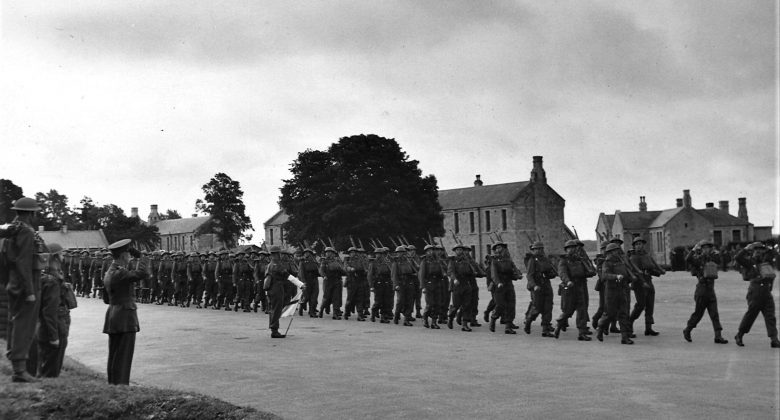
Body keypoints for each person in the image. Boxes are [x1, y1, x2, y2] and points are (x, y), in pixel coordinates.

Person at [1, 197, 46, 383]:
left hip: (14, 283)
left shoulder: (14, 228)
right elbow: (23, 262)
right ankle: (20, 370)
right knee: (24, 326)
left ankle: (17, 364)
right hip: (26, 283)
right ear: (31, 213)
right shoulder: (26, 231)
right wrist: (29, 291)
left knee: (16, 322)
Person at [103, 239, 147, 385]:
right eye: (128, 255)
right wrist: (141, 257)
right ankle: (121, 386)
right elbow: (142, 273)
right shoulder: (120, 273)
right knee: (123, 356)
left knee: (115, 355)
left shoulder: (109, 271)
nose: (129, 258)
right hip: (125, 317)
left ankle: (114, 385)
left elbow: (106, 299)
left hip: (113, 315)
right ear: (123, 256)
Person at [36, 243, 75, 377]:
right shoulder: (52, 281)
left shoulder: (46, 276)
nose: (64, 256)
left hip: (48, 327)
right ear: (56, 257)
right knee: (51, 370)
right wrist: (54, 337)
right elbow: (49, 312)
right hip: (55, 327)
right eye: (62, 254)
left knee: (45, 366)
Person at [733, 242, 779, 348]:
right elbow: (738, 257)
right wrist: (747, 248)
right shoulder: (749, 262)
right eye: (756, 249)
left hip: (766, 292)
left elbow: (773, 257)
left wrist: (767, 249)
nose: (758, 251)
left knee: (770, 316)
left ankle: (774, 339)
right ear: (752, 251)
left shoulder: (766, 262)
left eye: (760, 250)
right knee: (751, 315)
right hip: (755, 292)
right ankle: (739, 335)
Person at [683, 240, 728, 344]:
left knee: (714, 314)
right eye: (704, 248)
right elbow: (688, 259)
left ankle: (718, 336)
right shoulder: (698, 259)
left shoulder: (713, 258)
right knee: (698, 314)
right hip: (701, 289)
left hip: (711, 289)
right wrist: (694, 250)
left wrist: (715, 252)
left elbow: (719, 260)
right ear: (701, 249)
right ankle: (688, 329)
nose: (707, 249)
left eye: (708, 247)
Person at [555, 240, 595, 341]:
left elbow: (584, 272)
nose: (572, 250)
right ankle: (559, 323)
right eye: (570, 248)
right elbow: (562, 273)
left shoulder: (579, 260)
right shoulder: (563, 260)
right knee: (568, 310)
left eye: (574, 247)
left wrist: (590, 273)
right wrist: (567, 281)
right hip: (569, 288)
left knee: (582, 310)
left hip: (580, 287)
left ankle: (581, 332)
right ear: (566, 250)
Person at [596, 243, 634, 345]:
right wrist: (616, 276)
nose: (617, 252)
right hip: (611, 291)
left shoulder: (621, 261)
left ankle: (624, 337)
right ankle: (600, 328)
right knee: (610, 313)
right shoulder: (606, 263)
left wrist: (630, 279)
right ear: (610, 252)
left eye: (617, 250)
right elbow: (604, 275)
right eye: (615, 251)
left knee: (623, 313)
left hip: (622, 289)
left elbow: (626, 273)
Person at [628, 237, 665, 336]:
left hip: (648, 281)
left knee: (650, 305)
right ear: (634, 246)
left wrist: (659, 272)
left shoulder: (646, 256)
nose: (639, 246)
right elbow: (635, 272)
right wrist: (642, 281)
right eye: (637, 244)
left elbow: (650, 268)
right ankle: (629, 323)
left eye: (641, 244)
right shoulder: (633, 258)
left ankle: (648, 328)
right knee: (640, 305)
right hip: (639, 284)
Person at [447, 244, 485, 332]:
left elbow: (472, 270)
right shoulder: (452, 260)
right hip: (457, 284)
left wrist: (477, 273)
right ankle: (451, 317)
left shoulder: (466, 260)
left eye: (461, 250)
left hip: (466, 284)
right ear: (455, 251)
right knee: (456, 305)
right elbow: (450, 271)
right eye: (458, 250)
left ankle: (465, 324)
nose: (460, 251)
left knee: (467, 304)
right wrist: (454, 279)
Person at [523, 242, 556, 337]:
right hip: (537, 287)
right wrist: (534, 285)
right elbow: (529, 275)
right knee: (537, 307)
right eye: (537, 249)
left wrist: (551, 274)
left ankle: (545, 329)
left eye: (541, 248)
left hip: (546, 285)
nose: (539, 250)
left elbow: (550, 270)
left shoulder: (545, 259)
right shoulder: (532, 260)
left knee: (548, 308)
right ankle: (528, 321)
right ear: (533, 250)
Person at [490, 242, 522, 335]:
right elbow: (493, 273)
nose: (499, 249)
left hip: (508, 284)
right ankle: (493, 318)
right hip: (499, 285)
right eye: (497, 248)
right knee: (500, 305)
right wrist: (498, 282)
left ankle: (508, 325)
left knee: (511, 305)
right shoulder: (494, 260)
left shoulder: (509, 260)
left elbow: (514, 270)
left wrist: (518, 275)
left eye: (501, 248)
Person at [265, 246, 296, 338]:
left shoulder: (269, 264)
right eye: (279, 254)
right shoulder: (276, 265)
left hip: (271, 288)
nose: (280, 255)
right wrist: (301, 284)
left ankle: (273, 329)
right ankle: (274, 330)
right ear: (276, 254)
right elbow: (287, 275)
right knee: (276, 309)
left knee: (273, 309)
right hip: (276, 288)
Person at [418, 245, 445, 329]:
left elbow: (441, 272)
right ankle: (425, 317)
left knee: (437, 304)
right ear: (426, 252)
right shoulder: (424, 261)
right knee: (430, 304)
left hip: (437, 284)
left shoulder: (437, 261)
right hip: (429, 284)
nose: (431, 252)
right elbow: (421, 275)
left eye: (432, 250)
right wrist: (423, 287)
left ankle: (434, 322)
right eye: (428, 251)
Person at [319, 247, 346, 320]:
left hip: (337, 280)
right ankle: (321, 309)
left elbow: (342, 270)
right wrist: (324, 276)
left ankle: (335, 314)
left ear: (333, 253)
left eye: (330, 252)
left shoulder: (337, 261)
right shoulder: (324, 261)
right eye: (327, 252)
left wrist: (343, 270)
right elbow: (321, 270)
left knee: (336, 298)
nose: (328, 253)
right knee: (326, 297)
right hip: (328, 281)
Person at [368, 247, 393, 323]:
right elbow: (370, 275)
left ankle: (383, 317)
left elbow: (392, 272)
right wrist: (371, 286)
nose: (379, 255)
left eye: (380, 254)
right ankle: (373, 313)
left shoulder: (387, 262)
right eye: (377, 254)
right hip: (378, 283)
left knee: (386, 301)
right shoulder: (373, 263)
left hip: (386, 283)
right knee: (378, 301)